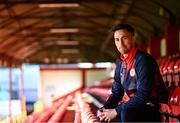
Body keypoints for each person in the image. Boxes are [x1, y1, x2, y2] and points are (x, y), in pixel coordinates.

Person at [97, 23, 168, 122]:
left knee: (125, 111)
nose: (120, 43)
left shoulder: (143, 60)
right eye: (117, 40)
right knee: (104, 116)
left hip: (152, 107)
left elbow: (143, 95)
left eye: (124, 38)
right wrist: (104, 108)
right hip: (134, 107)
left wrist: (117, 110)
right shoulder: (120, 64)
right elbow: (117, 93)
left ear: (133, 38)